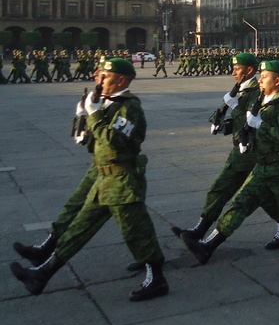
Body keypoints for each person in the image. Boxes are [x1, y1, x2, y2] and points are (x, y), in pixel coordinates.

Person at [10, 58, 168, 301]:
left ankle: (156, 279)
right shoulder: (108, 104)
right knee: (79, 227)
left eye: (105, 77)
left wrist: (94, 115)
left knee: (135, 231)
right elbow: (94, 142)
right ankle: (42, 273)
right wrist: (83, 121)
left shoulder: (129, 108)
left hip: (122, 181)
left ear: (121, 81)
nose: (99, 79)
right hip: (104, 177)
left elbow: (113, 141)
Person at [181, 60, 279, 270]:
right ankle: (209, 245)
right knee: (241, 203)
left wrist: (261, 125)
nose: (261, 80)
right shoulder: (262, 100)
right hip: (262, 165)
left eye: (265, 77)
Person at [171, 53, 274, 243]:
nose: (233, 72)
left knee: (250, 196)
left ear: (249, 70)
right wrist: (224, 125)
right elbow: (239, 121)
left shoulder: (257, 90)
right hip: (241, 150)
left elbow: (253, 121)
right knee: (226, 190)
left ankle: (203, 233)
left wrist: (235, 107)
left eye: (237, 68)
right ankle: (199, 229)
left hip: (252, 152)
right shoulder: (240, 88)